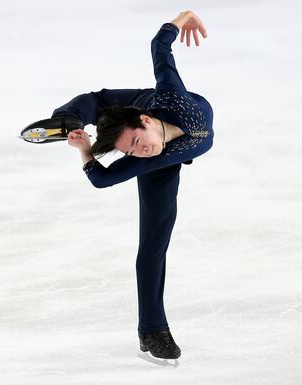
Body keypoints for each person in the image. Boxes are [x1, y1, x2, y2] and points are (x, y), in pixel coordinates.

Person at [50, 10, 213, 360]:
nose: (139, 151)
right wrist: (84, 150)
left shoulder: (172, 100)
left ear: (146, 123)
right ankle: (153, 331)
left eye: (137, 143)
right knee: (92, 104)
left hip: (140, 109)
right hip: (160, 156)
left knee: (103, 100)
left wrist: (185, 17)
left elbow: (160, 45)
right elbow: (101, 178)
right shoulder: (147, 157)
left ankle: (77, 118)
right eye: (130, 152)